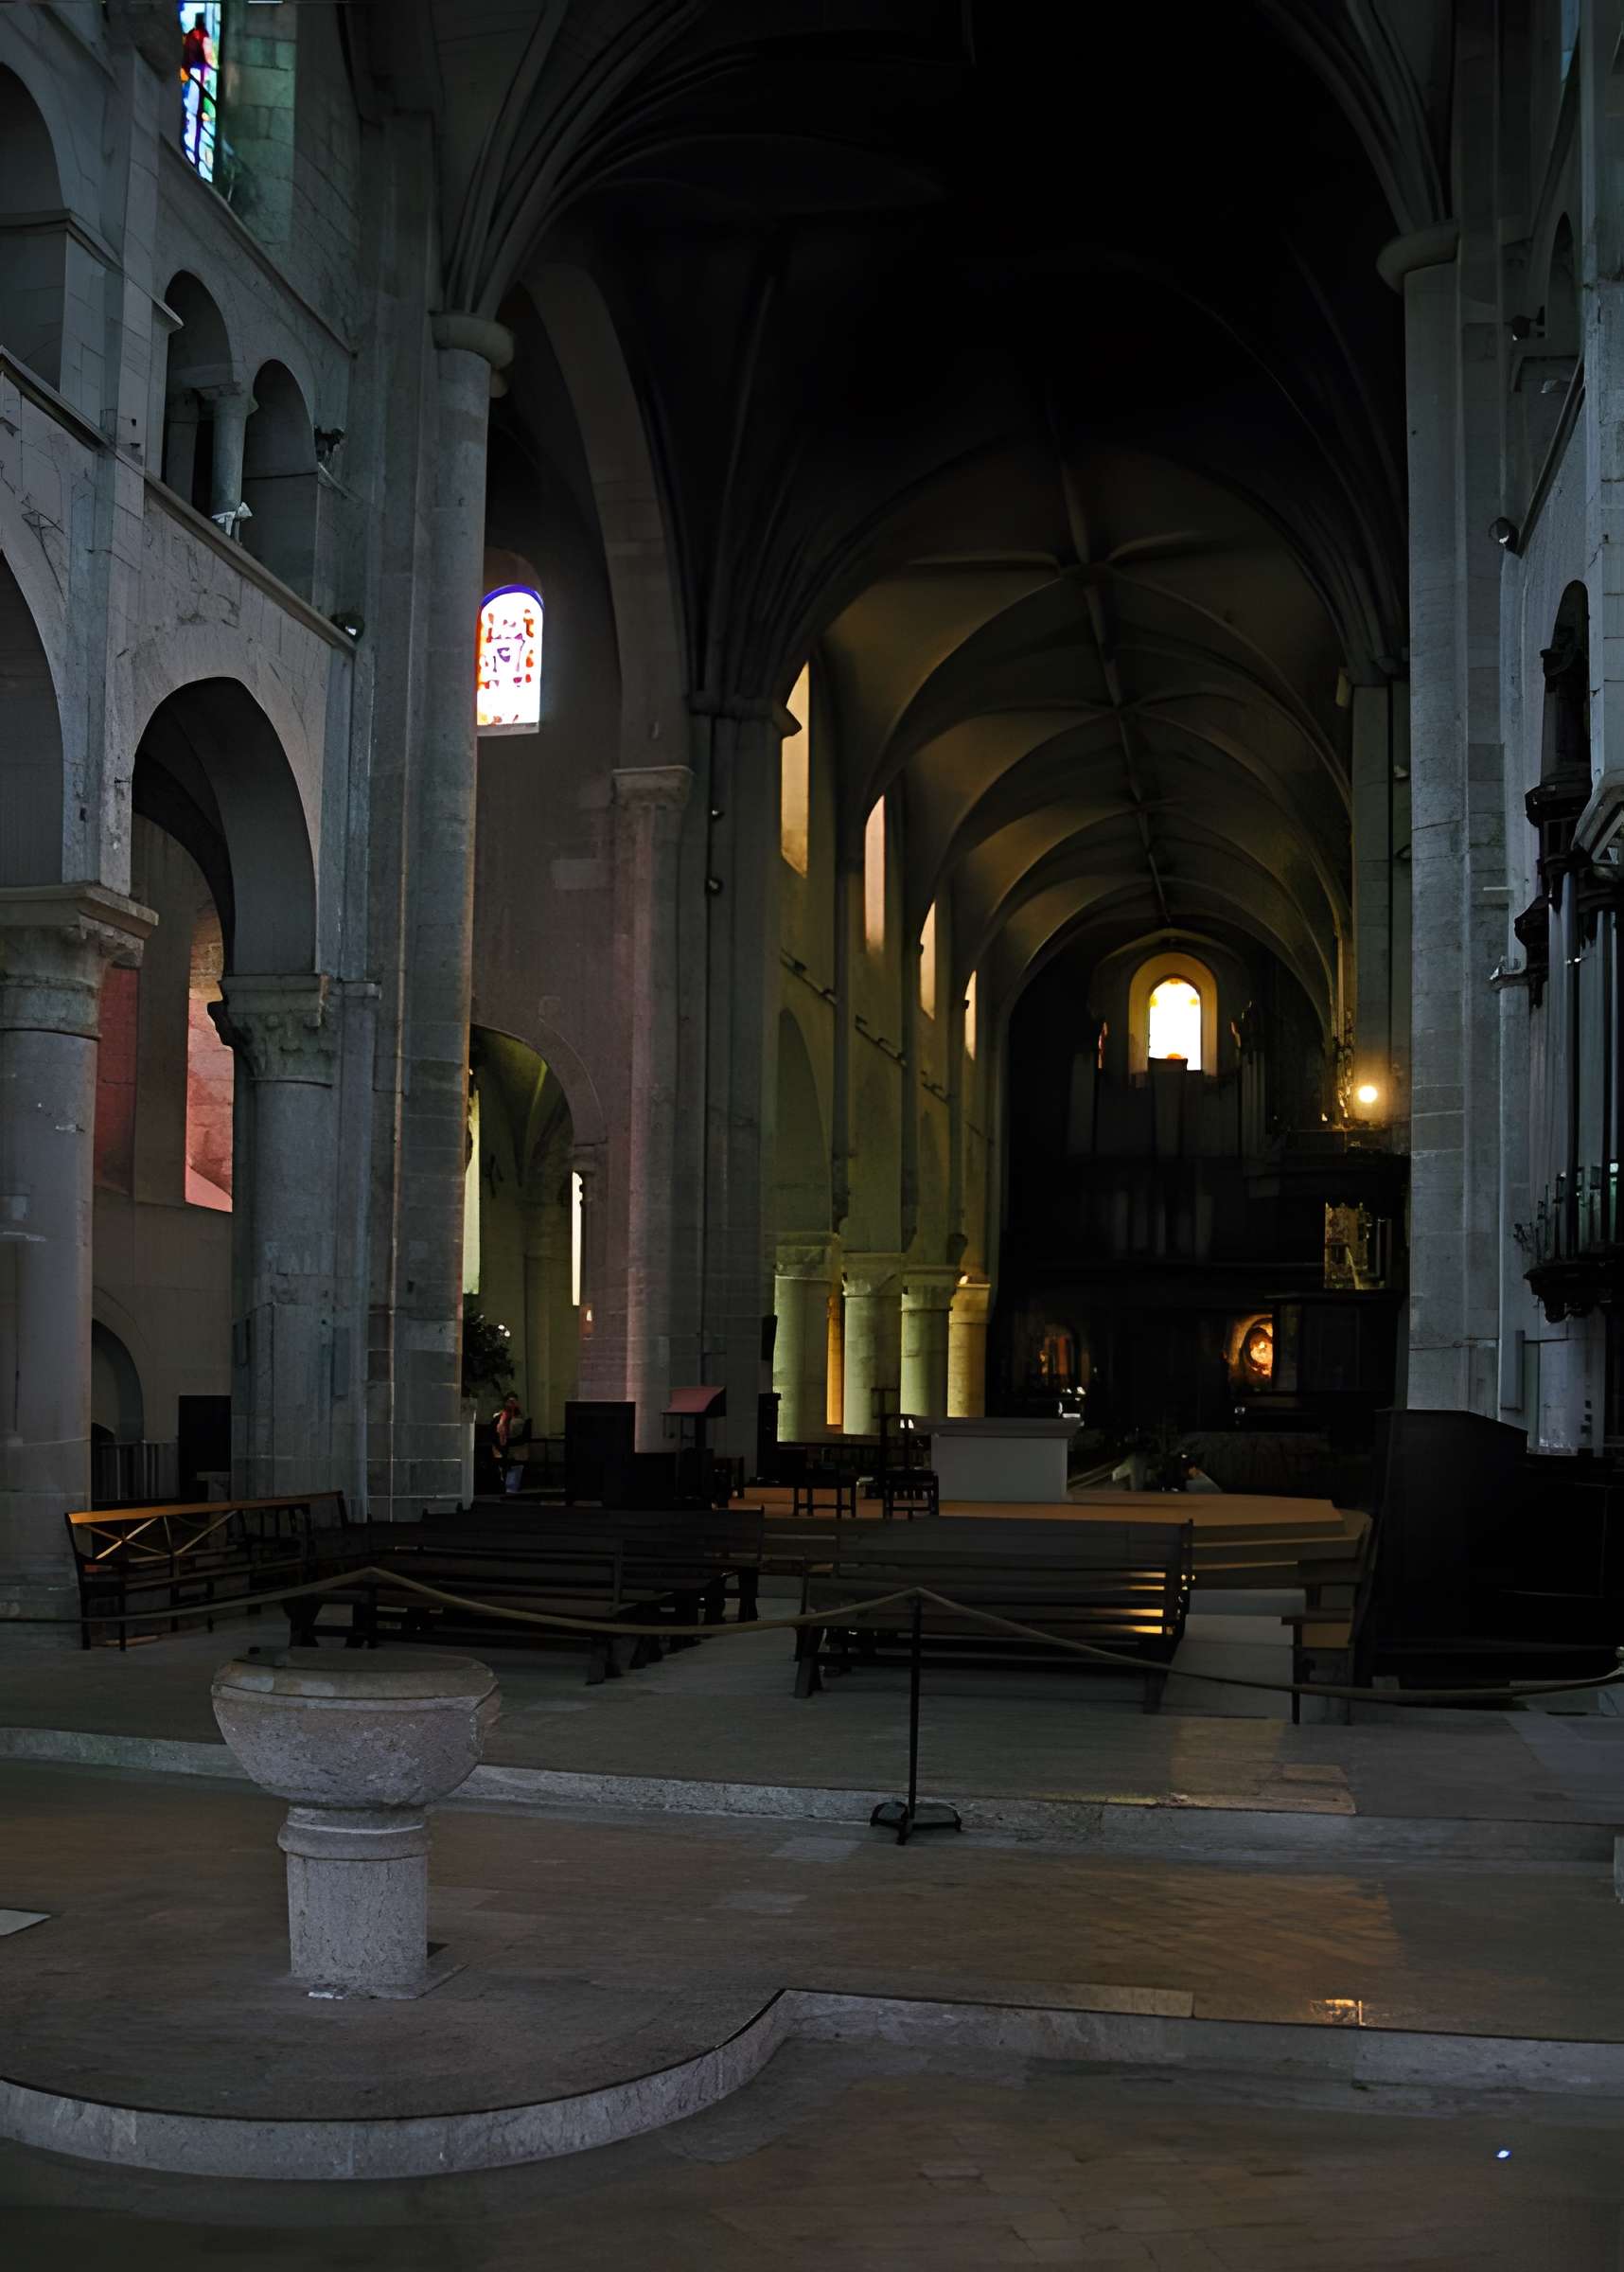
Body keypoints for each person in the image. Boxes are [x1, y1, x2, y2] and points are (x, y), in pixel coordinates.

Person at [486, 1393, 526, 1496]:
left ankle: (510, 1487)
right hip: (501, 1446)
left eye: (514, 1402)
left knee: (513, 1468)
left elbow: (520, 1433)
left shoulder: (520, 1418)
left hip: (514, 1447)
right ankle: (502, 1486)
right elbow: (493, 1432)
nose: (511, 1405)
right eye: (509, 1402)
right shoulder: (499, 1417)